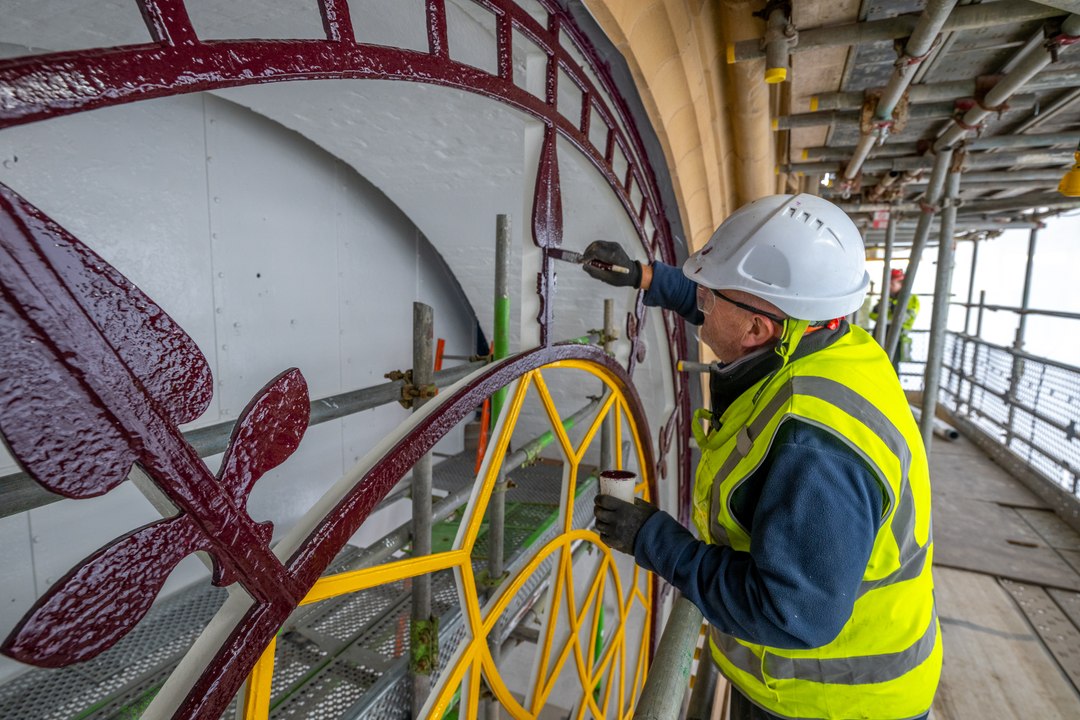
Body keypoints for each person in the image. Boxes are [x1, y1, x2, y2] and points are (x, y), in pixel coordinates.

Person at [584, 194, 939, 720]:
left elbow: (789, 615)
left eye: (710, 293)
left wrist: (651, 540)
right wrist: (645, 277)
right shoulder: (830, 340)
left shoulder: (815, 448)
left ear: (757, 330)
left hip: (828, 703)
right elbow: (740, 309)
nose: (699, 298)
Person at [869, 268, 920, 371]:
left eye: (892, 285)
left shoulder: (911, 299)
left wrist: (892, 307)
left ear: (902, 285)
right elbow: (872, 315)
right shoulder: (888, 298)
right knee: (874, 364)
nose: (889, 288)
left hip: (897, 336)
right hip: (880, 332)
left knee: (891, 367)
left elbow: (905, 318)